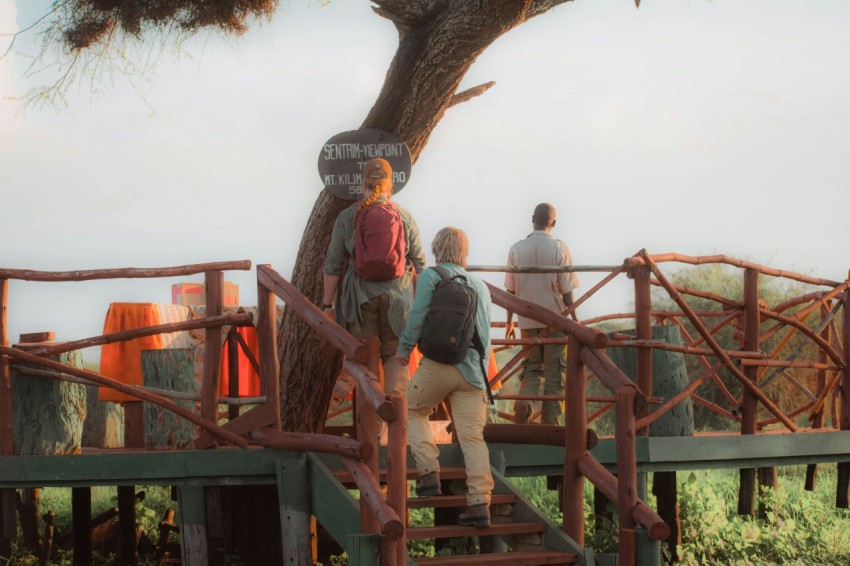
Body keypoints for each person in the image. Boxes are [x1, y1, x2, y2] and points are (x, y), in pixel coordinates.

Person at [394, 227, 494, 528]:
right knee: (473, 437)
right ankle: (480, 504)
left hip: (439, 365)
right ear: (465, 252)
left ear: (437, 249)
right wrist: (480, 374)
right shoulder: (481, 286)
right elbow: (485, 335)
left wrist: (404, 349)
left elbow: (417, 316)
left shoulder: (432, 276)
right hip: (473, 371)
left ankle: (428, 475)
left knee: (411, 409)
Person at [322, 157, 426, 394]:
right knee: (396, 356)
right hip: (399, 298)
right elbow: (420, 264)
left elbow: (333, 266)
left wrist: (327, 304)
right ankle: (396, 412)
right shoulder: (404, 216)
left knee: (366, 359)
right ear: (391, 186)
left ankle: (373, 415)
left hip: (360, 300)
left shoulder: (348, 216)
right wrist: (419, 305)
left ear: (362, 185)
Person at [505, 203, 579, 425]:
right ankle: (551, 424)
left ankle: (525, 404)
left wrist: (509, 323)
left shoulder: (516, 248)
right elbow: (566, 291)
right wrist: (575, 322)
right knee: (555, 374)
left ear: (532, 219)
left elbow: (510, 291)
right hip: (555, 319)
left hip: (526, 320)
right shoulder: (559, 248)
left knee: (531, 370)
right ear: (553, 223)